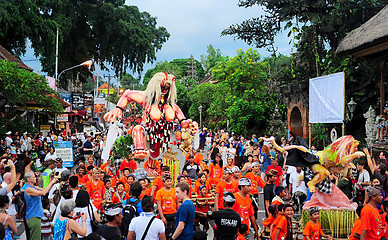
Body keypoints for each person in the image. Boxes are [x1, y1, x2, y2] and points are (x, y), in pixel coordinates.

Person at [23, 171, 58, 240]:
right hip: (33, 216)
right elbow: (43, 193)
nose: (35, 178)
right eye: (33, 177)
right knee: (35, 238)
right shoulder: (28, 189)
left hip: (36, 216)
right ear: (28, 179)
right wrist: (52, 182)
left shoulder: (33, 187)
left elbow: (45, 190)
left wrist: (52, 180)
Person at [156, 174, 177, 239]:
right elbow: (159, 205)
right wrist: (162, 217)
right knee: (164, 232)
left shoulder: (174, 191)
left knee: (173, 232)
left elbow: (177, 203)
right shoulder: (160, 192)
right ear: (163, 183)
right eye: (167, 181)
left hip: (173, 214)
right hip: (164, 214)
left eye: (170, 181)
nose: (169, 183)